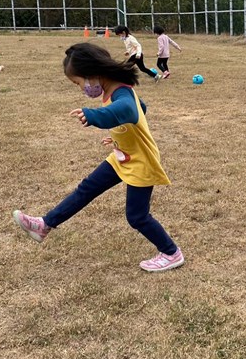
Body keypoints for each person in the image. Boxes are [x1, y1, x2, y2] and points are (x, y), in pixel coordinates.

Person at [12, 43, 184, 272]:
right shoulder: (110, 90)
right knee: (87, 188)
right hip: (123, 155)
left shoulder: (121, 92)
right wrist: (121, 137)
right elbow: (141, 108)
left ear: (92, 73)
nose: (80, 88)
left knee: (137, 216)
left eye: (78, 82)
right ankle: (44, 224)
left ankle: (171, 253)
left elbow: (130, 110)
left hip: (141, 162)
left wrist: (94, 115)